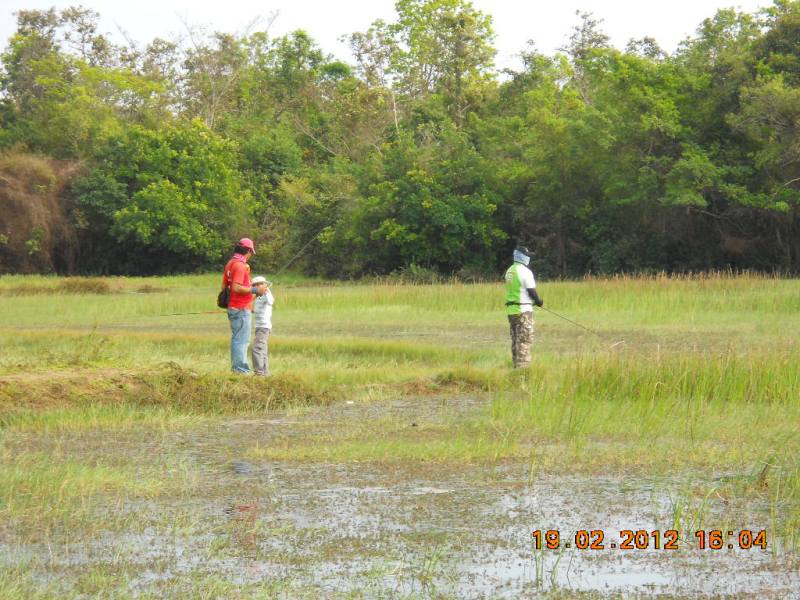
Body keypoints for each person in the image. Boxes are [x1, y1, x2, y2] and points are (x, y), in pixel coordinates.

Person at [221, 238, 264, 374]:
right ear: (248, 251)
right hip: (240, 309)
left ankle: (238, 370)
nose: (251, 255)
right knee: (241, 341)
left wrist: (252, 291)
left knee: (238, 339)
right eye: (251, 252)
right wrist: (256, 290)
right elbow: (236, 287)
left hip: (235, 306)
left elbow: (224, 287)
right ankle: (240, 370)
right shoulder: (239, 265)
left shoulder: (231, 263)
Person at [504, 246, 543, 369]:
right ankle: (523, 369)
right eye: (527, 255)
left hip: (511, 311)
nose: (529, 258)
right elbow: (531, 291)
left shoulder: (509, 271)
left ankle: (515, 365)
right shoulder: (525, 271)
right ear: (522, 257)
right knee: (524, 340)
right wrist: (538, 301)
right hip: (523, 311)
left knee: (516, 340)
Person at [250, 276, 274, 377]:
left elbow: (271, 301)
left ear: (265, 285)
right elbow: (255, 309)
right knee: (262, 350)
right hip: (258, 327)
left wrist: (267, 290)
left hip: (264, 327)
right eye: (255, 285)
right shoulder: (258, 297)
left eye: (260, 284)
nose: (258, 286)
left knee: (256, 348)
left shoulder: (267, 295)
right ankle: (265, 373)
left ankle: (259, 372)